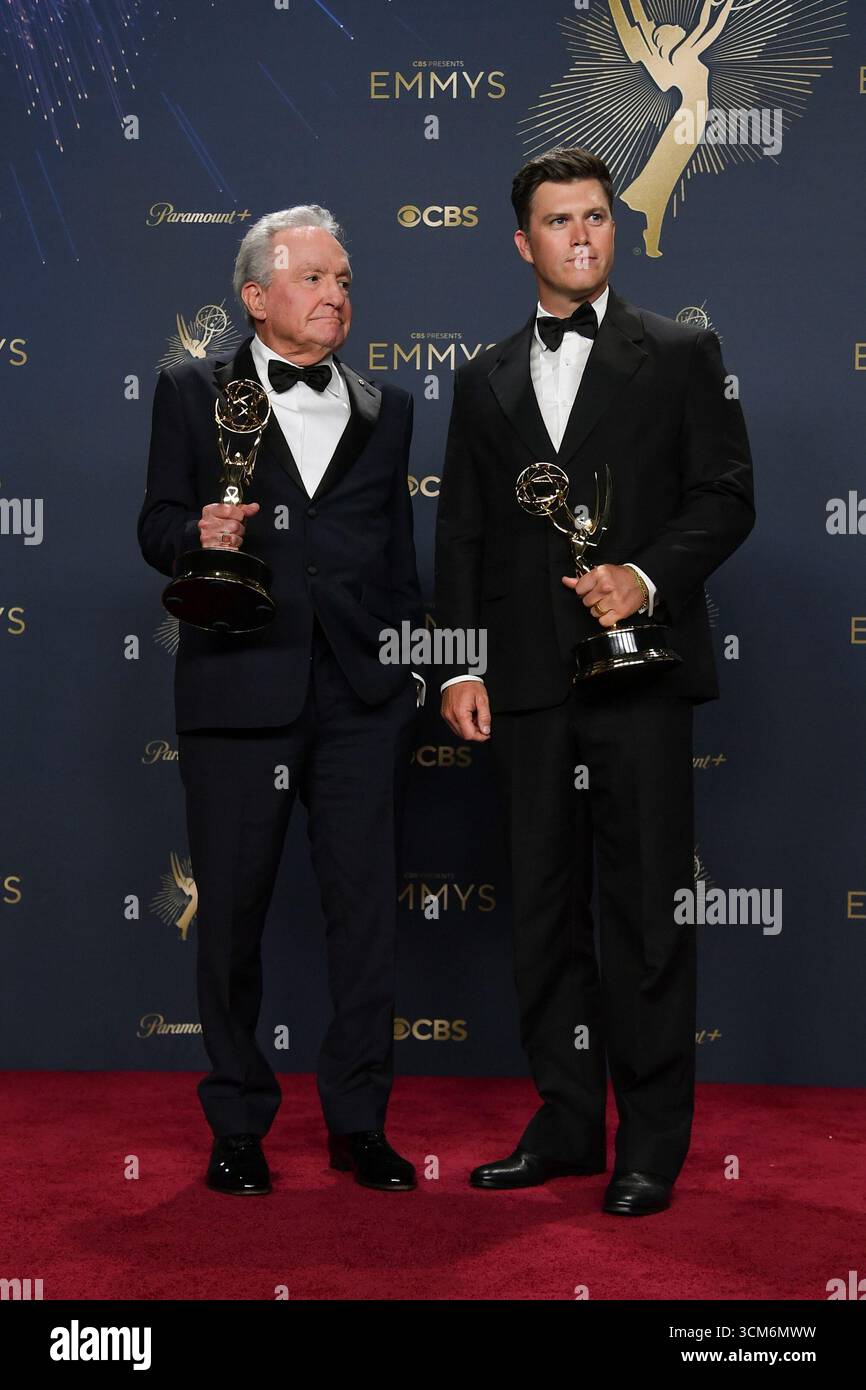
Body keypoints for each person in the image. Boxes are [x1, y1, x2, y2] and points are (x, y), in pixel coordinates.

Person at [434, 148, 754, 1215]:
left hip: (639, 679)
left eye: (595, 217)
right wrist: (461, 662)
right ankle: (566, 1121)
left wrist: (644, 573)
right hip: (524, 684)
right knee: (539, 911)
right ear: (521, 242)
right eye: (558, 221)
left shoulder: (677, 351)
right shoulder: (480, 378)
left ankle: (650, 1142)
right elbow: (462, 533)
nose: (582, 235)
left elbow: (724, 496)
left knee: (646, 917)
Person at [139, 206, 422, 1195]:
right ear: (256, 296)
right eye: (312, 279)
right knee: (231, 920)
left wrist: (413, 665)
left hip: (358, 693)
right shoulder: (189, 394)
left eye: (343, 279)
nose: (336, 296)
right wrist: (198, 536)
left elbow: (396, 556)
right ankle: (237, 1123)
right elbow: (156, 522)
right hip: (238, 684)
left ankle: (358, 1123)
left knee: (365, 919)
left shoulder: (389, 409)